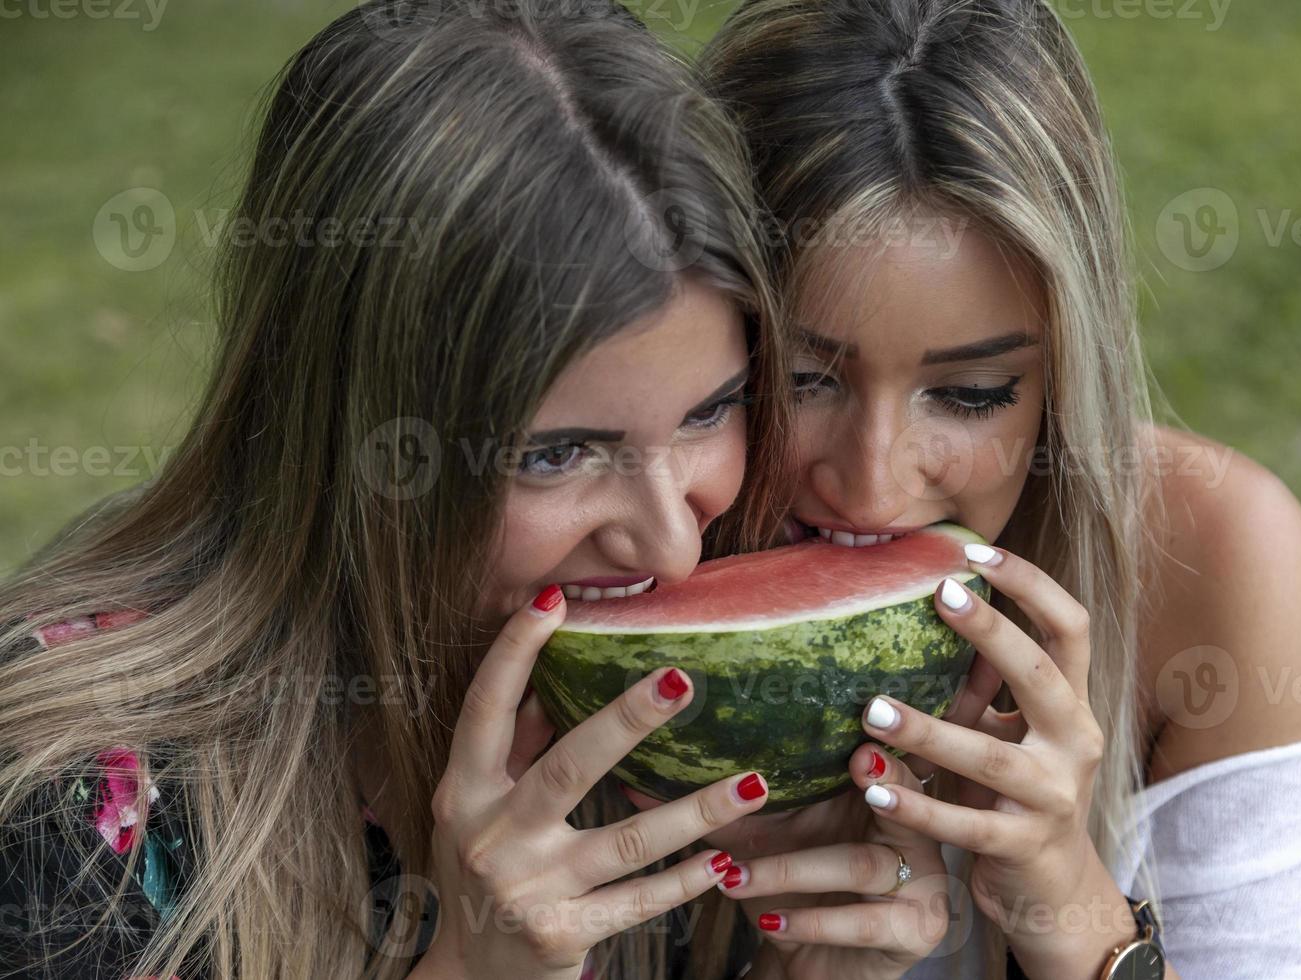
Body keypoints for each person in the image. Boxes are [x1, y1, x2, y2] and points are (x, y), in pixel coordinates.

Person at [0, 1, 798, 978]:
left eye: (712, 409)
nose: (674, 546)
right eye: (555, 454)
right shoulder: (60, 810)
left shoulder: (711, 725)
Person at [694, 0, 1301, 976]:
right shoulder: (585, 545)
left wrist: (1072, 904)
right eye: (804, 377)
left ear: (1062, 376)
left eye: (970, 393)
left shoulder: (1212, 559)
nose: (874, 484)